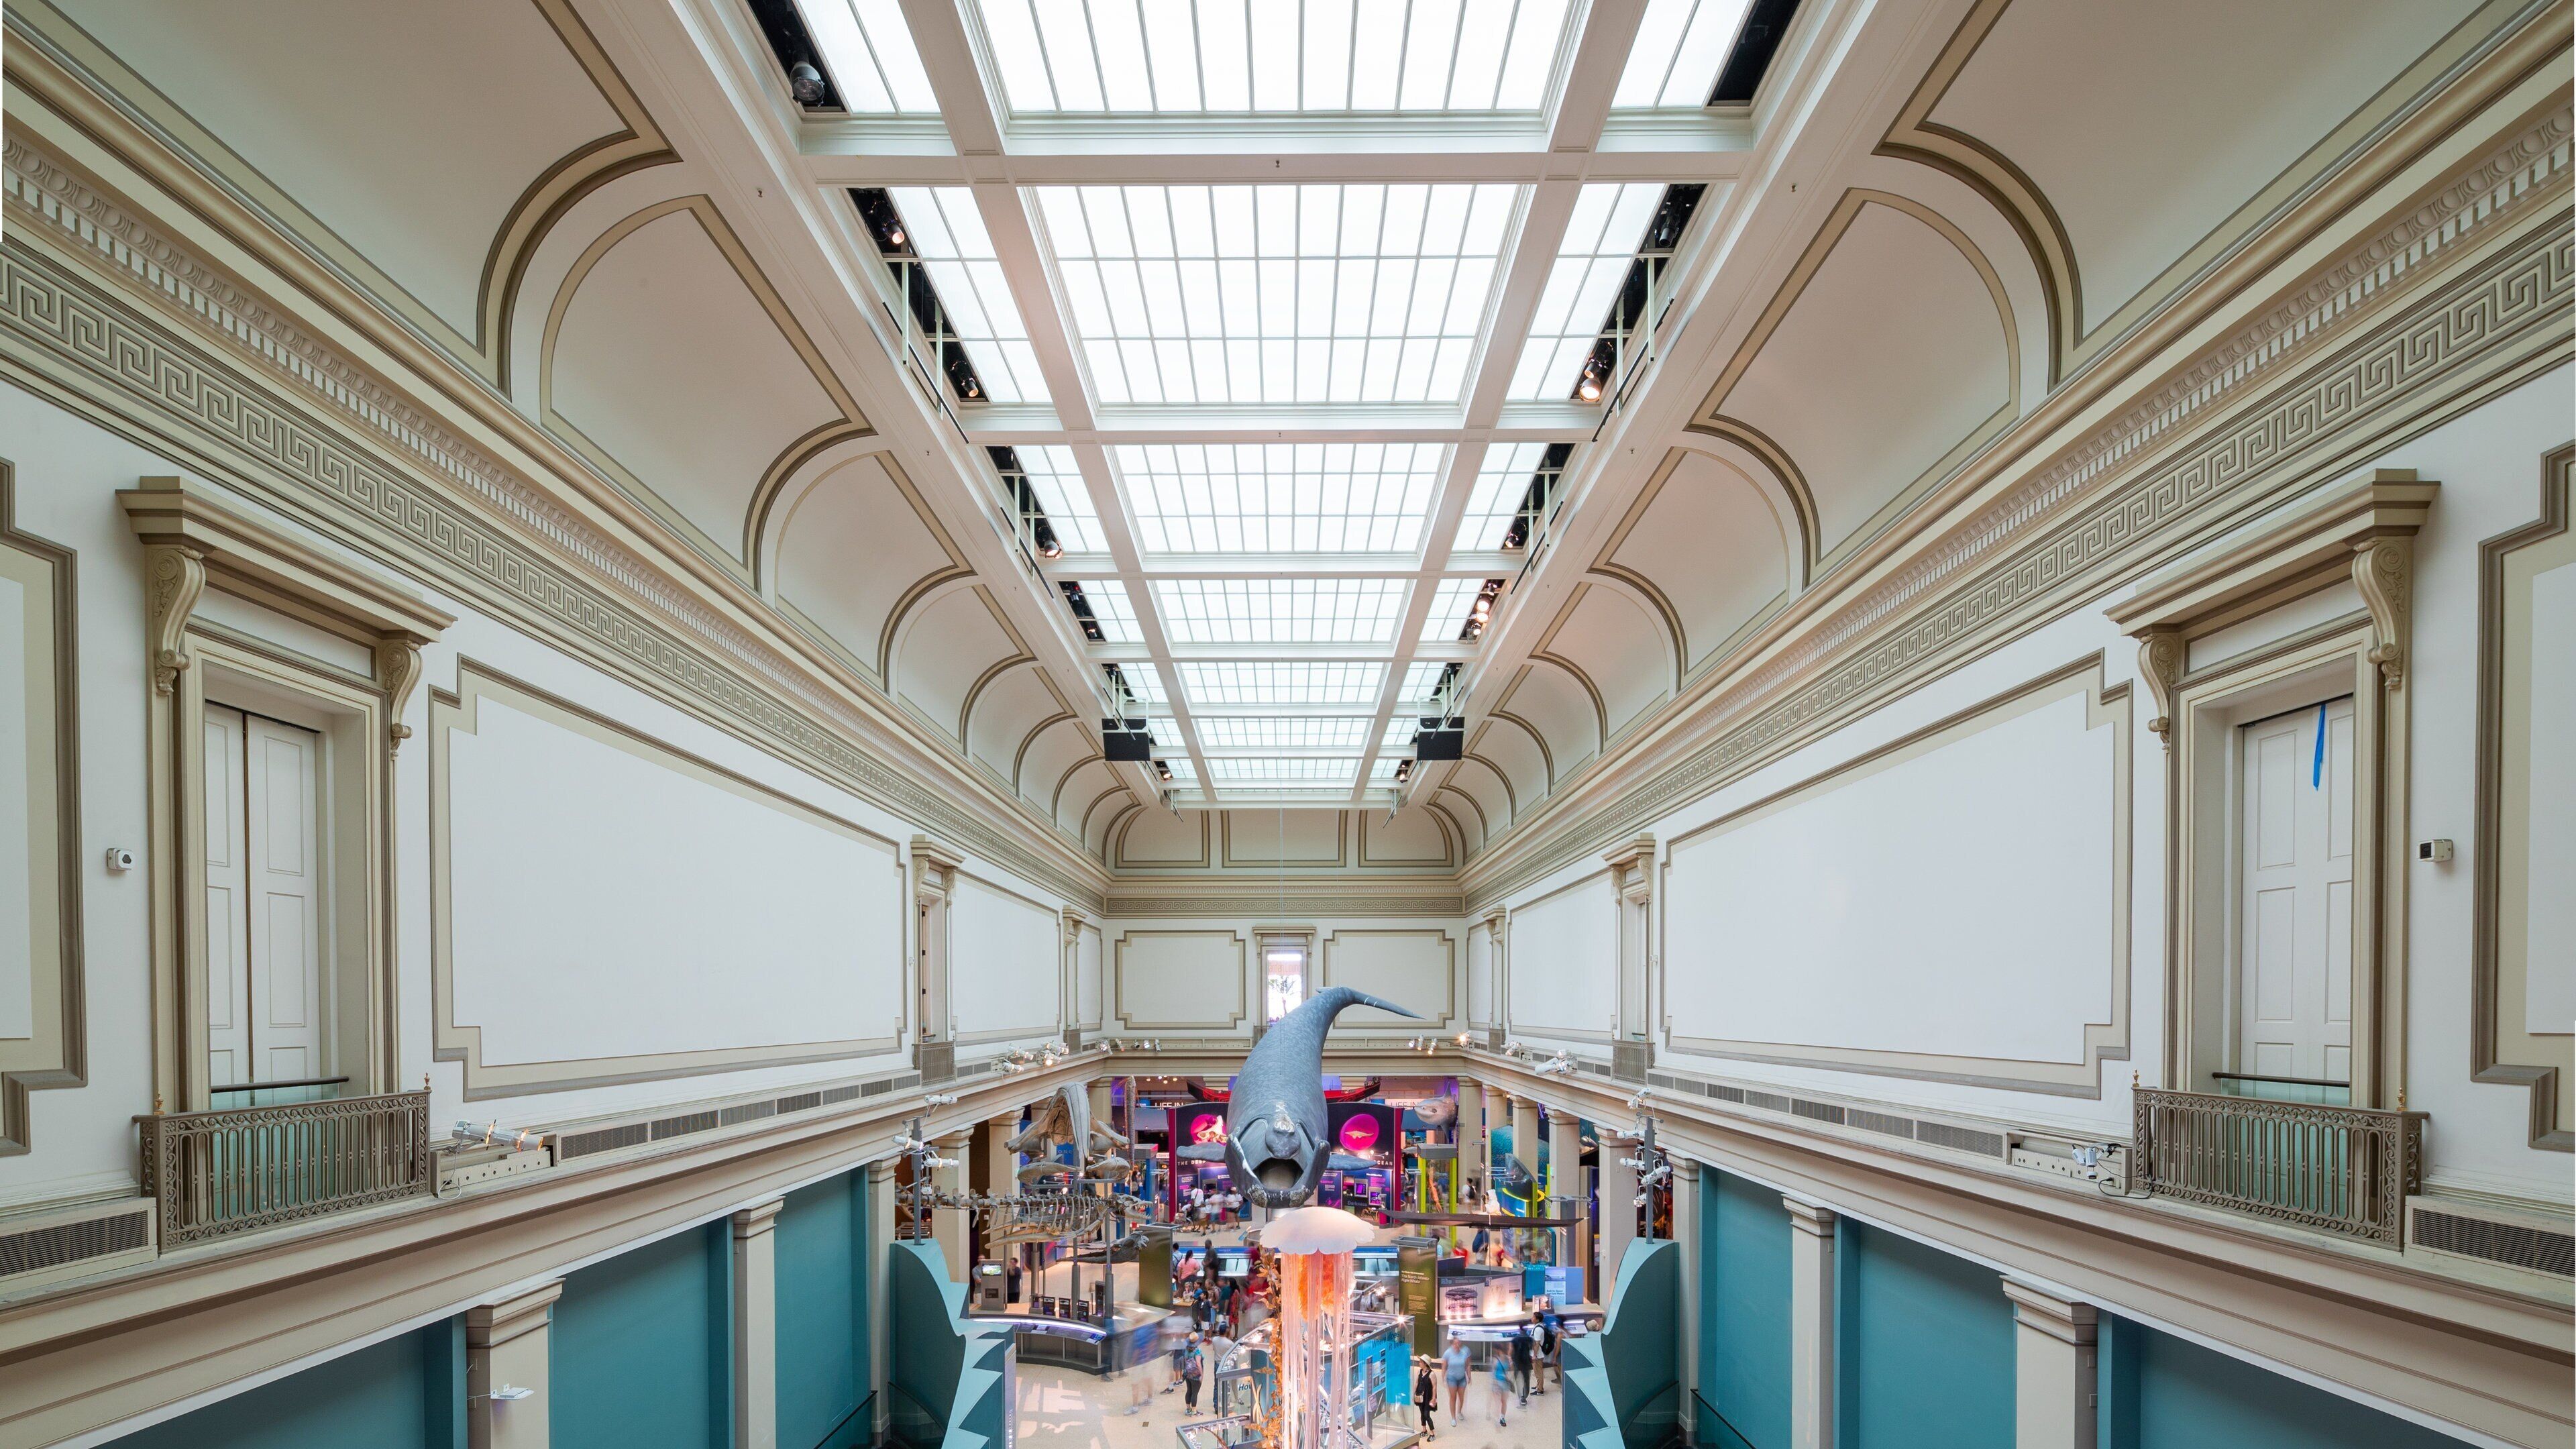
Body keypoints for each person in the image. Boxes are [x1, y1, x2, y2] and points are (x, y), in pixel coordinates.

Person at [1442, 1332, 1470, 1421]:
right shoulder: (1448, 1353)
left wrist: (1469, 1376)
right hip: (1452, 1378)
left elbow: (1467, 1365)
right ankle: (1453, 1417)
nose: (1457, 1345)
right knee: (1453, 1397)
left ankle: (1459, 1412)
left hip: (1462, 1378)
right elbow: (1444, 1367)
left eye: (1459, 1343)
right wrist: (1443, 1378)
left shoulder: (1464, 1352)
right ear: (1452, 1344)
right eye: (1455, 1343)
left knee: (1461, 1397)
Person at [1412, 1353, 1440, 1440]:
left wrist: (1434, 1398)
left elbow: (1435, 1387)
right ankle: (1424, 1430)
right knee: (1422, 1414)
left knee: (1427, 1415)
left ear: (1425, 1364)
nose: (1419, 1363)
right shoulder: (1419, 1372)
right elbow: (1416, 1383)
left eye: (1421, 1362)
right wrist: (1413, 1393)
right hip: (1420, 1396)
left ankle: (1432, 1434)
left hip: (1428, 1397)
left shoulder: (1432, 1374)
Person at [1510, 1323, 1534, 1407]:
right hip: (1526, 1362)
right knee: (1526, 1379)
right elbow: (1532, 1349)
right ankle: (1524, 1396)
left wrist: (1510, 1360)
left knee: (1517, 1379)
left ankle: (1520, 1395)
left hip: (1517, 1361)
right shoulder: (1529, 1339)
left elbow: (1511, 1350)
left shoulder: (1515, 1339)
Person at [1181, 1335, 1206, 1413]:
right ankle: (1194, 1411)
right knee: (1195, 1393)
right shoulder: (1197, 1351)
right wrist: (1201, 1375)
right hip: (1196, 1375)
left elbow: (1184, 1360)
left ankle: (1188, 1409)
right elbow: (1198, 1364)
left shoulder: (1186, 1350)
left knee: (1189, 1391)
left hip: (1188, 1374)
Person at [1489, 1344, 1512, 1426]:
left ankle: (1502, 1417)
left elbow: (1494, 1373)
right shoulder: (1498, 1359)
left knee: (1502, 1401)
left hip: (1502, 1382)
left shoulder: (1505, 1359)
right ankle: (1501, 1417)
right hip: (1499, 1383)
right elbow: (1493, 1372)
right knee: (1501, 1401)